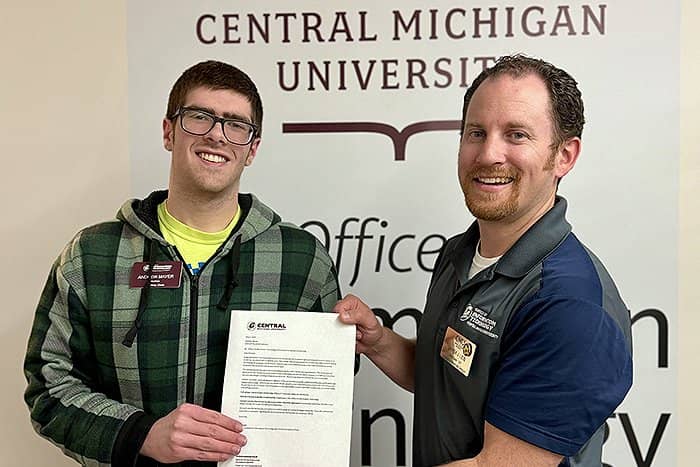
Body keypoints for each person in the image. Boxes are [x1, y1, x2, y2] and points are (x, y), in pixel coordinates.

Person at [24, 60, 340, 466]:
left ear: (252, 149)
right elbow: (48, 386)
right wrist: (142, 434)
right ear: (168, 132)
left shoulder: (301, 259)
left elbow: (327, 381)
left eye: (236, 125)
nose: (216, 135)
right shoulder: (92, 254)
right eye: (199, 117)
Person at [335, 54, 633, 467]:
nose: (489, 153)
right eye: (477, 132)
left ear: (564, 155)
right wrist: (380, 342)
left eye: (516, 135)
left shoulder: (570, 304)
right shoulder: (459, 253)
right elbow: (452, 375)